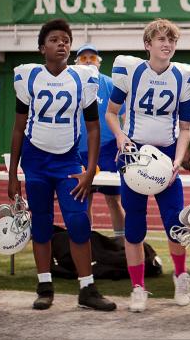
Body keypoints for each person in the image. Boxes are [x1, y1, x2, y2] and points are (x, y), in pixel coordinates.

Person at [8, 18, 116, 312]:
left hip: (69, 160)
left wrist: (90, 171)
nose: (62, 44)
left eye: (66, 39)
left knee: (78, 221)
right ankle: (44, 285)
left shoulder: (83, 79)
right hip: (36, 160)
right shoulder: (29, 77)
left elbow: (93, 128)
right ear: (42, 47)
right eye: (55, 39)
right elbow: (18, 128)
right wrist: (12, 174)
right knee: (41, 223)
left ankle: (87, 288)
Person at [106, 19, 190, 312]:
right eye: (161, 39)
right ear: (148, 45)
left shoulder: (184, 76)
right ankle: (138, 287)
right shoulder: (131, 71)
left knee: (175, 223)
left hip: (167, 153)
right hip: (134, 154)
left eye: (171, 40)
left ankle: (181, 276)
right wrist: (120, 137)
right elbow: (111, 112)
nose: (167, 44)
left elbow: (185, 127)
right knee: (134, 226)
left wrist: (179, 158)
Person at [73, 44, 125, 239]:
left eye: (92, 58)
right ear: (76, 62)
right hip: (79, 151)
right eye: (83, 58)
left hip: (107, 150)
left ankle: (121, 242)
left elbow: (124, 114)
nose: (88, 61)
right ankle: (86, 242)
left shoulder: (110, 84)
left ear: (99, 63)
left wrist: (123, 139)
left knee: (114, 199)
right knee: (83, 199)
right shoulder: (71, 83)